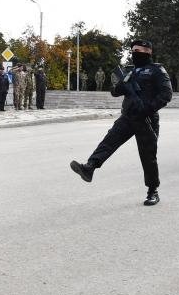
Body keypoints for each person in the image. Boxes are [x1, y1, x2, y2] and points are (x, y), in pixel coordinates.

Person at [69, 39, 172, 206]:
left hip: (147, 119)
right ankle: (90, 167)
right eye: (133, 50)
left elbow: (166, 95)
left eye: (138, 50)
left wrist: (147, 108)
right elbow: (114, 91)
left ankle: (153, 191)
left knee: (148, 157)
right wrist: (121, 87)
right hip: (128, 116)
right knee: (108, 141)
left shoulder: (157, 70)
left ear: (148, 52)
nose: (135, 53)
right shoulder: (129, 71)